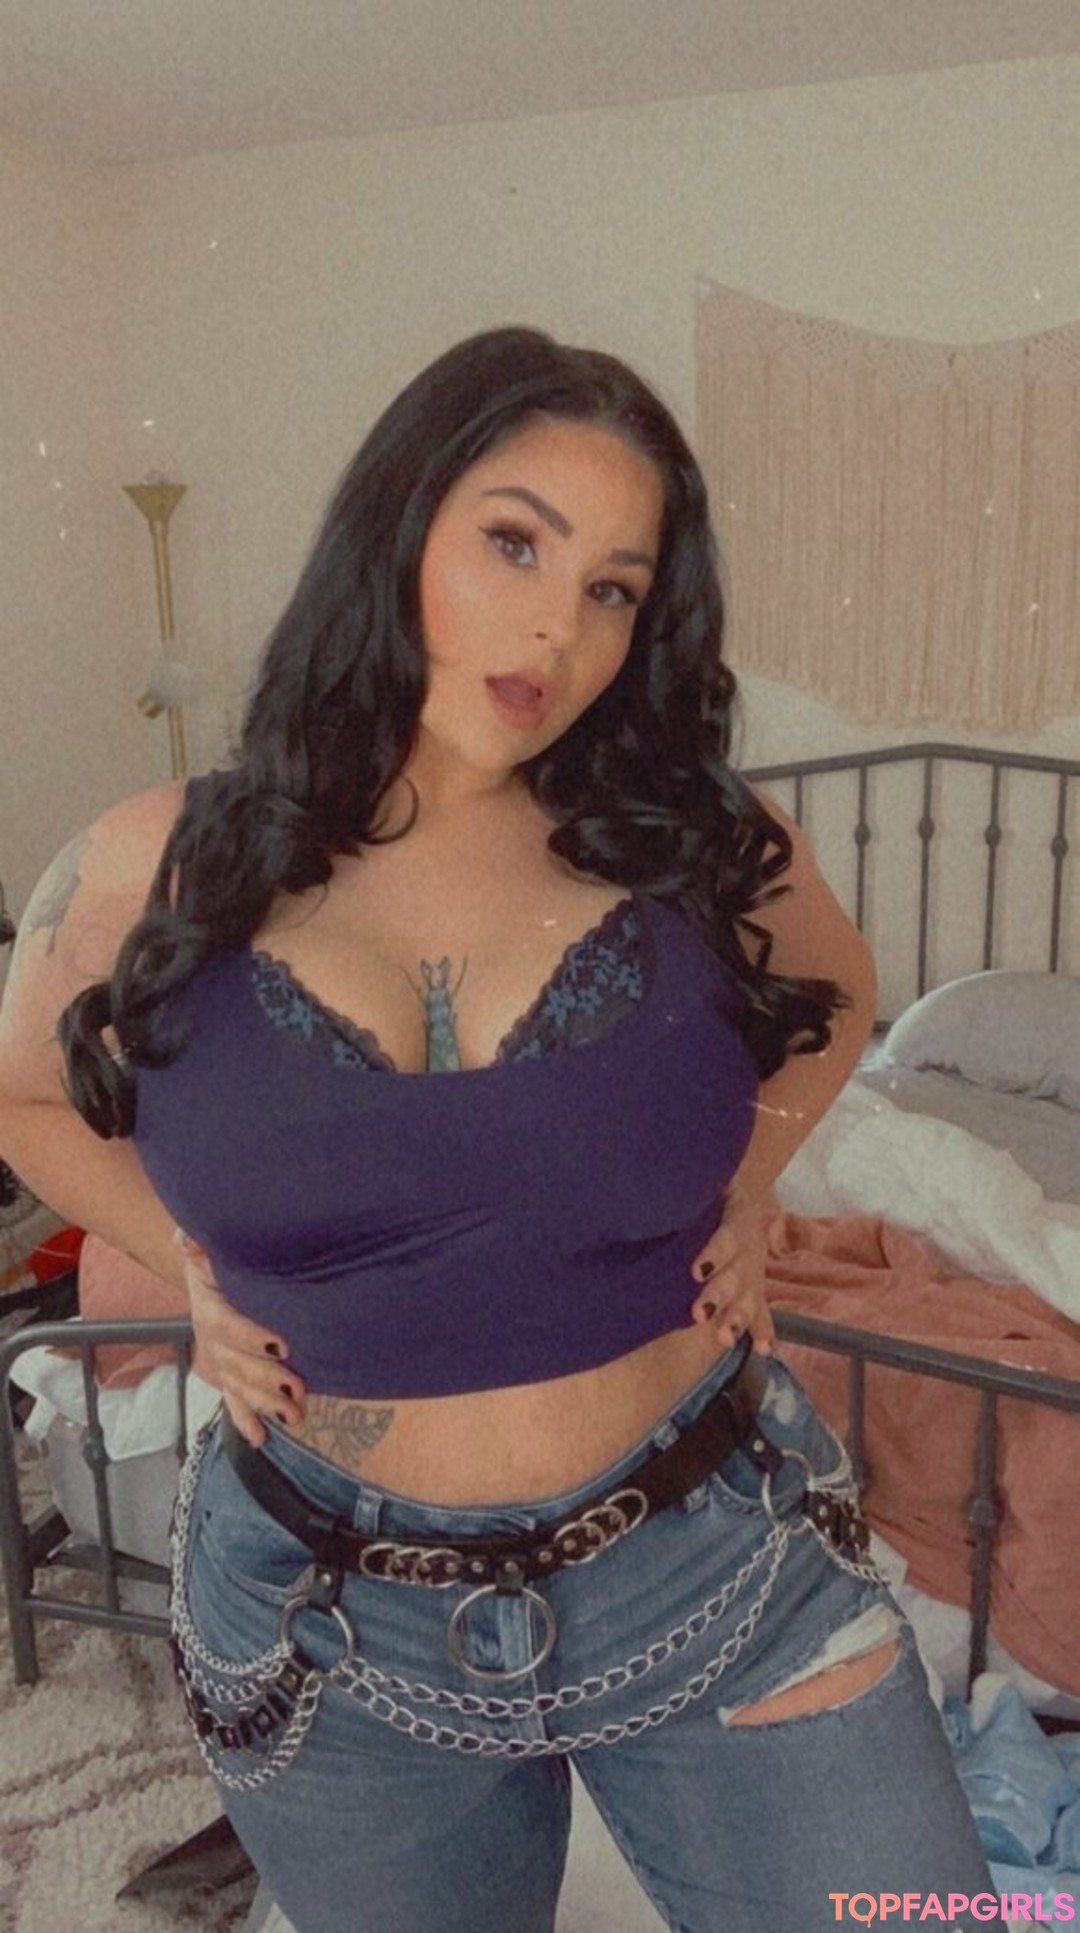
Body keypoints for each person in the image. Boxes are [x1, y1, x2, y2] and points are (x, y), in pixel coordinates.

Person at [0, 328, 1002, 1932]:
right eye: (515, 542)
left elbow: (839, 994)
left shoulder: (693, 842)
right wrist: (186, 1262)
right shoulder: (155, 861)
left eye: (614, 587)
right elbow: (26, 1096)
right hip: (324, 1621)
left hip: (720, 1561)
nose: (559, 625)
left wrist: (748, 1182)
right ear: (399, 525)